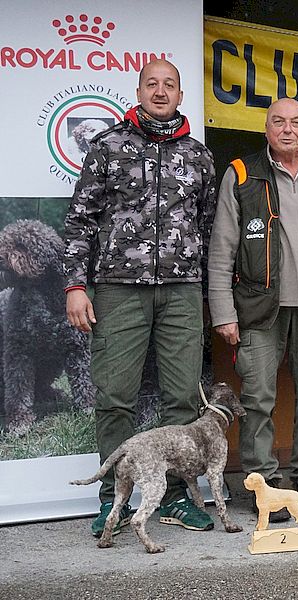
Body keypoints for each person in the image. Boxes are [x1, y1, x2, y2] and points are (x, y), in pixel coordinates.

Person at [64, 59, 217, 536]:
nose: (160, 91)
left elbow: (208, 228)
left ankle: (175, 497)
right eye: (152, 83)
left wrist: (208, 294)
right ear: (138, 91)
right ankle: (113, 500)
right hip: (118, 288)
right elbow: (80, 221)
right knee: (115, 397)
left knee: (182, 398)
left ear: (181, 95)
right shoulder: (108, 145)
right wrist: (75, 285)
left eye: (169, 84)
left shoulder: (198, 155)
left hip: (182, 290)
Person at [207, 97, 298, 521]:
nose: (288, 129)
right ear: (266, 129)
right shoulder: (241, 173)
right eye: (279, 122)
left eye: (296, 122)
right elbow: (222, 248)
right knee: (258, 399)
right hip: (257, 307)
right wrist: (223, 312)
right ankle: (262, 483)